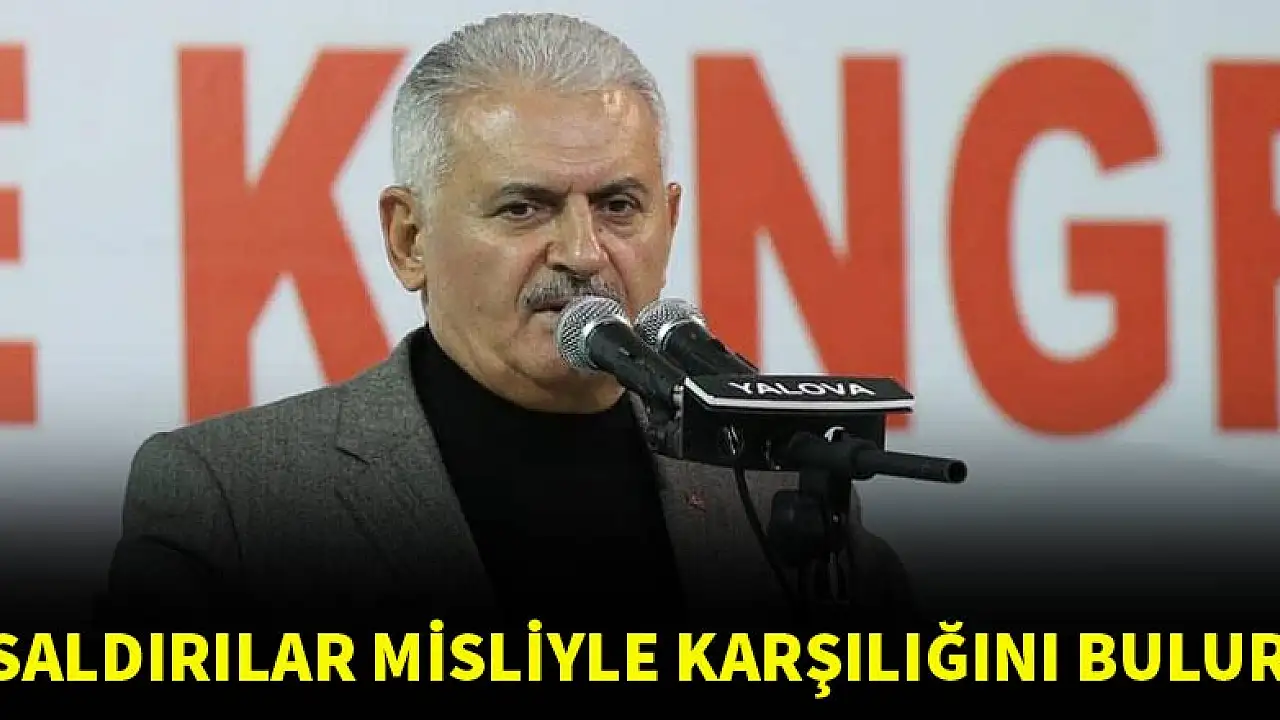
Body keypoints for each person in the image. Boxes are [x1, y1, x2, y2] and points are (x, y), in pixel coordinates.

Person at [105, 12, 913, 631]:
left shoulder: (772, 486)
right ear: (409, 239)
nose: (583, 253)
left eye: (618, 205)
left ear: (669, 223)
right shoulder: (234, 500)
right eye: (524, 207)